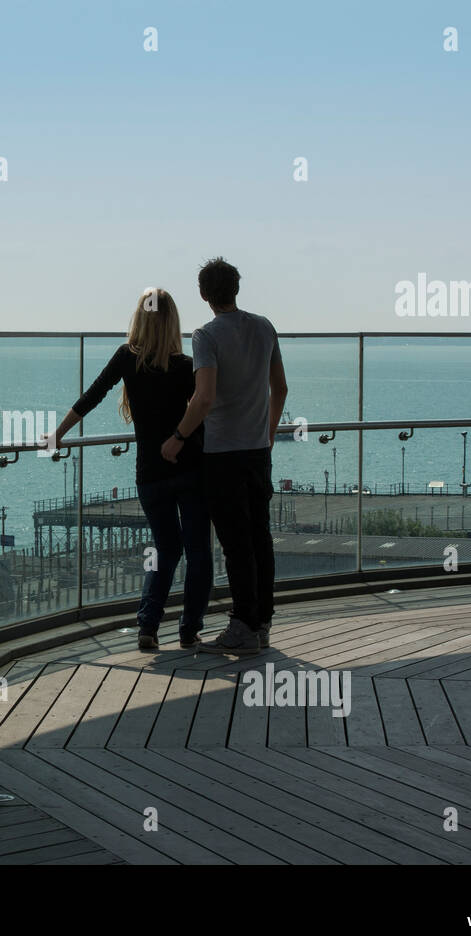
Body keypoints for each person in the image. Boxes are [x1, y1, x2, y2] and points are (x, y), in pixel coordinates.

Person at [46, 288, 211, 651]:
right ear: (172, 322)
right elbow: (203, 411)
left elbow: (93, 395)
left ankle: (148, 627)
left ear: (139, 318)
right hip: (190, 469)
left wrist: (58, 433)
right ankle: (189, 631)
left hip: (150, 473)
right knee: (198, 550)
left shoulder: (126, 358)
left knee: (165, 550)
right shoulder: (184, 366)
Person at [162, 257, 288, 655]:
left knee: (236, 545)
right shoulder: (265, 326)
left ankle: (243, 628)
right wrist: (267, 435)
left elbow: (205, 397)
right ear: (237, 287)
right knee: (260, 538)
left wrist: (178, 437)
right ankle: (261, 621)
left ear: (203, 294)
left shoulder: (206, 336)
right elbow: (280, 388)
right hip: (256, 452)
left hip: (222, 455)